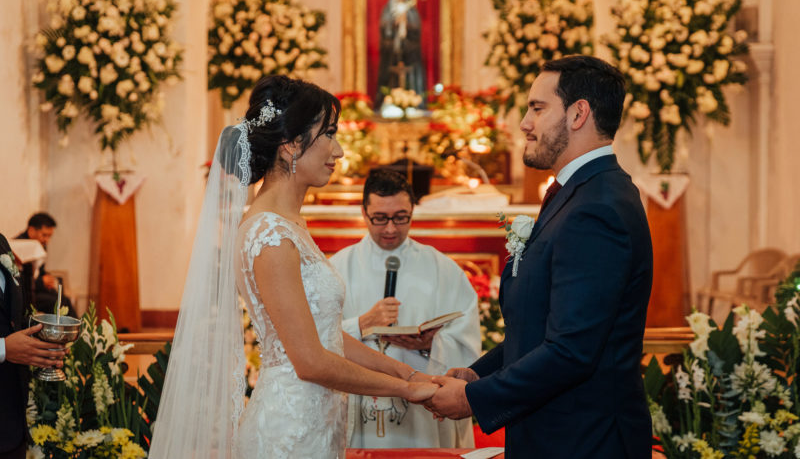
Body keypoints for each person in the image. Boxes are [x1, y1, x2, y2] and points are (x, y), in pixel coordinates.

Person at [149, 75, 439, 458]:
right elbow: (310, 361)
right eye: (329, 135)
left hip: (315, 422)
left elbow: (327, 338)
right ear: (290, 146)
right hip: (289, 432)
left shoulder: (288, 225)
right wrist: (405, 390)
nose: (338, 151)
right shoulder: (270, 233)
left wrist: (410, 373)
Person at [426, 55, 654, 459]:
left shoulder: (597, 207)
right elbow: (540, 323)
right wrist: (478, 373)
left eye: (537, 108)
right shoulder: (577, 192)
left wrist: (473, 399)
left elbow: (572, 351)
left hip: (584, 441)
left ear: (578, 113)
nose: (524, 123)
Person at [330, 169, 480, 448]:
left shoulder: (441, 269)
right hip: (358, 401)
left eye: (401, 218)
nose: (390, 228)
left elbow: (467, 339)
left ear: (412, 211)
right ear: (364, 213)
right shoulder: (338, 268)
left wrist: (428, 346)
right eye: (380, 218)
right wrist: (360, 325)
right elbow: (314, 339)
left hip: (423, 413)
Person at [1, 233, 66, 459]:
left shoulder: (1, 242)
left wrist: (42, 334)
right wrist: (3, 349)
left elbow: (11, 311)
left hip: (10, 418)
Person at [15, 213, 76, 317]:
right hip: (24, 295)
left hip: (36, 290)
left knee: (63, 299)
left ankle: (78, 330)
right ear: (31, 230)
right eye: (44, 235)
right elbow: (18, 281)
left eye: (49, 236)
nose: (47, 240)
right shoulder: (18, 247)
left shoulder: (40, 245)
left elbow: (39, 271)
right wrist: (41, 281)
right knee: (58, 302)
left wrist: (47, 278)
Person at [375, 0, 426, 102]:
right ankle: (388, 100)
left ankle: (412, 100)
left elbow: (416, 28)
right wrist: (394, 23)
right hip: (391, 49)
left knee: (410, 76)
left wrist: (406, 22)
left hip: (409, 49)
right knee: (390, 75)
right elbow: (384, 26)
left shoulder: (411, 9)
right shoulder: (389, 8)